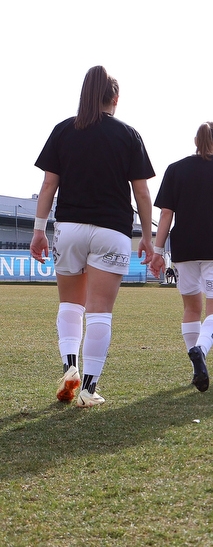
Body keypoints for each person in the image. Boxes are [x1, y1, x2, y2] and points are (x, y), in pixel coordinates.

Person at [30, 66, 155, 407]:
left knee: (71, 305)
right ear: (115, 99)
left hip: (69, 227)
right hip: (112, 230)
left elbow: (47, 186)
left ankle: (69, 367)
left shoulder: (63, 130)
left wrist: (39, 230)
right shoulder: (128, 135)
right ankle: (88, 389)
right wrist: (147, 236)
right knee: (100, 312)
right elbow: (142, 193)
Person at [150, 122, 213, 392]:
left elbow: (165, 215)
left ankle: (195, 367)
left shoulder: (175, 169)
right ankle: (201, 350)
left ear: (196, 140)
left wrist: (158, 252)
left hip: (184, 249)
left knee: (191, 309)